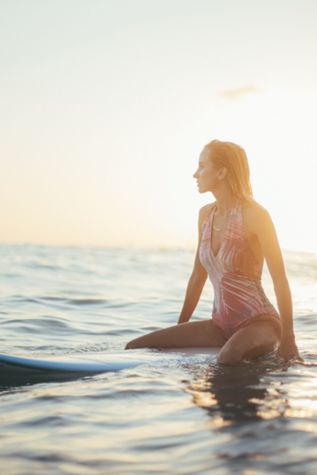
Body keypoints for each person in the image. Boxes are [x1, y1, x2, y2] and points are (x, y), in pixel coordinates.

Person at [125, 139, 301, 364]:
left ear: (221, 172)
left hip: (260, 324)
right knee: (136, 347)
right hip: (220, 325)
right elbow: (198, 276)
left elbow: (280, 280)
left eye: (201, 166)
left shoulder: (256, 216)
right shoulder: (205, 215)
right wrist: (180, 330)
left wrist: (288, 340)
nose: (195, 174)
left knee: (227, 359)